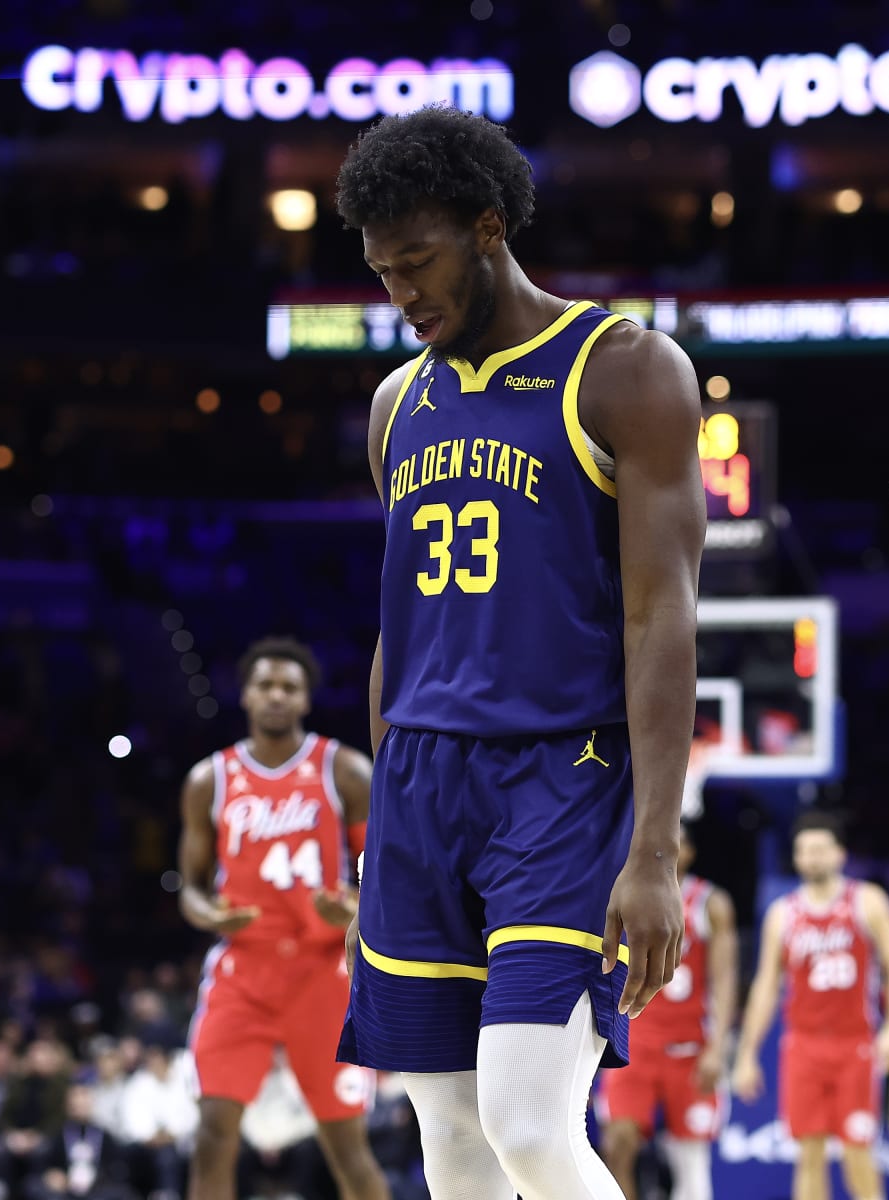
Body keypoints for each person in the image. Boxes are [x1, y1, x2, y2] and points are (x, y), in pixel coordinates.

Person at [333, 104, 705, 1200]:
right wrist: (381, 819)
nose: (402, 296)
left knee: (530, 1125)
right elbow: (399, 630)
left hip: (564, 780)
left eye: (419, 263)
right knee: (448, 1132)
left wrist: (655, 850)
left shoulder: (625, 369)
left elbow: (663, 617)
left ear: (490, 228)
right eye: (382, 273)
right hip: (419, 785)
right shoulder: (397, 403)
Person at [177, 637, 388, 1200]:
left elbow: (387, 883)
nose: (276, 695)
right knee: (212, 1133)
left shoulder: (343, 771)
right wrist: (211, 915)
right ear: (245, 694)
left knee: (346, 1144)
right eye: (265, 685)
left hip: (322, 973)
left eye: (288, 687)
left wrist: (353, 910)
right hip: (243, 971)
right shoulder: (209, 780)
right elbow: (191, 891)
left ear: (305, 700)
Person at [733, 811, 889, 1200]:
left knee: (858, 1153)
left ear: (839, 854)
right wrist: (747, 1053)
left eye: (820, 850)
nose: (812, 858)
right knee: (809, 1154)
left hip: (856, 1043)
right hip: (803, 1044)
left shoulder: (867, 901)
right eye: (804, 851)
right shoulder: (783, 913)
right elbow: (767, 985)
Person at [598, 823, 738, 1200]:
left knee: (689, 1161)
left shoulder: (711, 902)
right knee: (618, 1145)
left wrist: (717, 1050)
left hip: (688, 1046)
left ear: (687, 852)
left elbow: (724, 982)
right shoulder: (621, 893)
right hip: (635, 1042)